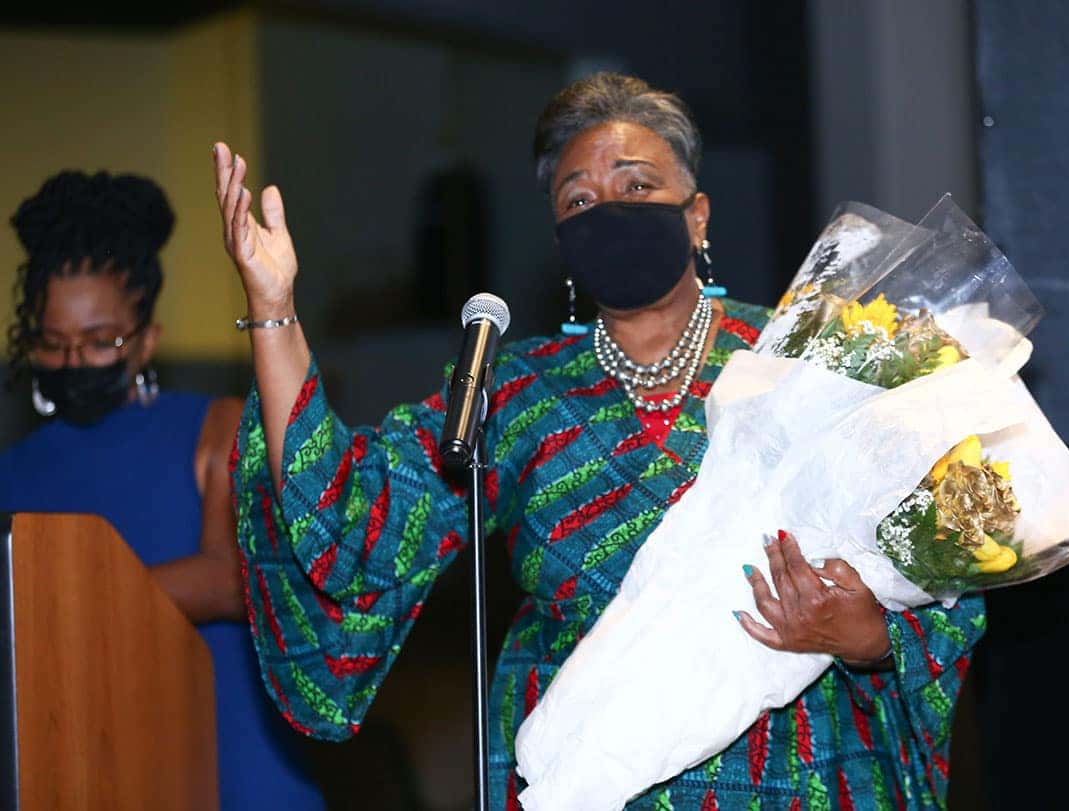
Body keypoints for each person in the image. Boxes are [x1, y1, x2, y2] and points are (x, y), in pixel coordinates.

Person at [217, 73, 985, 809]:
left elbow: (942, 563)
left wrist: (867, 634)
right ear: (560, 239)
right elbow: (354, 514)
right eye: (578, 199)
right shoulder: (514, 391)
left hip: (800, 770)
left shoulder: (805, 358)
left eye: (637, 184)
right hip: (586, 775)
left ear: (698, 214)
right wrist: (274, 305)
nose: (607, 209)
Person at [0, 171, 325, 810]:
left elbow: (231, 577)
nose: (73, 363)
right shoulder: (14, 471)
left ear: (147, 340)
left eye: (99, 342)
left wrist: (59, 595)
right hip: (79, 762)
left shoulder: (217, 424)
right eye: (53, 343)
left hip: (226, 753)